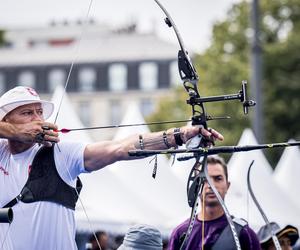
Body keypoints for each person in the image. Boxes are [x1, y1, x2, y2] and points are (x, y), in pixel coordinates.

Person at [0, 86, 223, 250]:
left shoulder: (61, 153)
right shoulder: (2, 153)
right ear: (6, 120)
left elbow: (119, 148)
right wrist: (16, 133)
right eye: (27, 113)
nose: (38, 119)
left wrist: (179, 136)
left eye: (39, 112)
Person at [168, 155, 261, 250]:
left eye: (218, 178)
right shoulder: (181, 233)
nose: (211, 185)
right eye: (204, 179)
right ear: (196, 187)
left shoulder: (244, 233)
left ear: (227, 186)